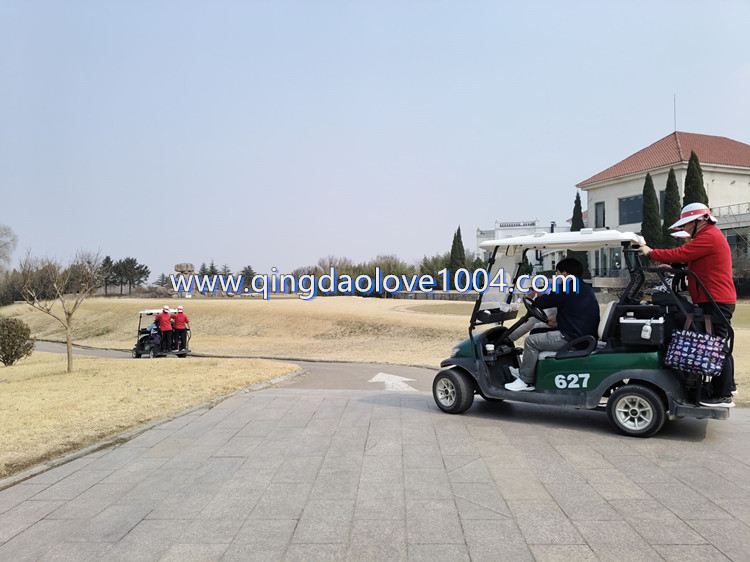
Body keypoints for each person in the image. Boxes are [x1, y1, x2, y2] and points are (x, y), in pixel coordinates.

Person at [639, 202, 737, 408]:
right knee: (715, 343)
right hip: (713, 298)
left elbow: (682, 254)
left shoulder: (709, 236)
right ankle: (724, 387)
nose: (684, 228)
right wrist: (674, 267)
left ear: (699, 220)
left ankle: (723, 394)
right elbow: (691, 261)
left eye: (685, 224)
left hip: (716, 299)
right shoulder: (708, 236)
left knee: (717, 346)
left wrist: (650, 252)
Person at [505, 257, 600, 391]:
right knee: (536, 332)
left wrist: (530, 296)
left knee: (531, 342)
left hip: (573, 339)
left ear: (565, 273)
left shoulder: (567, 287)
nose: (556, 276)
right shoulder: (584, 287)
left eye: (558, 273)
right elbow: (574, 311)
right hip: (582, 335)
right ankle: (528, 371)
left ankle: (526, 381)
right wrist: (558, 322)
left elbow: (542, 302)